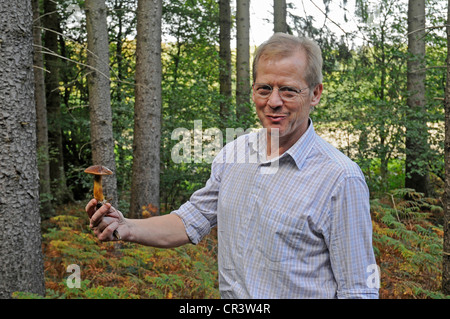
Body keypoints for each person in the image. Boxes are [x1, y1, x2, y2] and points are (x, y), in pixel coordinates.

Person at [86, 33, 379, 299]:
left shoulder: (340, 178)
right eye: (264, 88)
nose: (273, 102)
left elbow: (359, 290)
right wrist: (125, 227)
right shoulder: (235, 153)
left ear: (315, 94)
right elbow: (191, 220)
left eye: (288, 90)